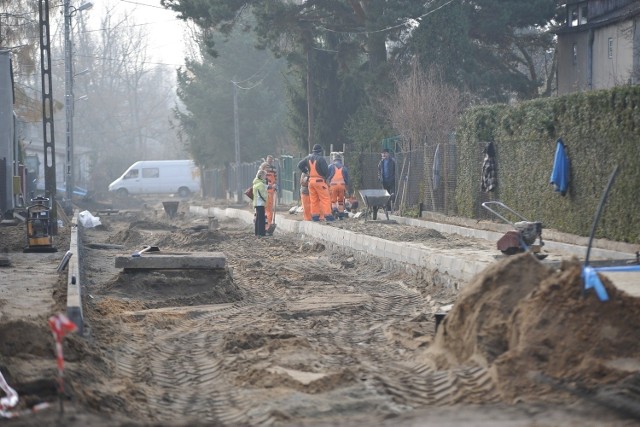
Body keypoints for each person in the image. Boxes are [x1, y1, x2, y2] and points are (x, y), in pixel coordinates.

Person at [297, 144, 334, 221]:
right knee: (325, 198)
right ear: (320, 151)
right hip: (320, 181)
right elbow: (325, 171)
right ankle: (328, 215)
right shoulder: (321, 159)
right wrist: (326, 177)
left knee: (314, 199)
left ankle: (315, 216)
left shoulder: (308, 158)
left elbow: (299, 165)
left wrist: (306, 171)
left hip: (311, 182)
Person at [327, 153, 350, 219]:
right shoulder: (344, 168)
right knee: (340, 201)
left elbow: (327, 177)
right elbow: (346, 180)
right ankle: (341, 215)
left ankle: (334, 211)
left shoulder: (330, 166)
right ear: (340, 159)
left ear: (334, 159)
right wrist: (346, 189)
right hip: (342, 186)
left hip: (333, 186)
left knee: (333, 201)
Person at [259, 155, 278, 229]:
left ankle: (268, 225)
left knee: (269, 209)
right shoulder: (261, 175)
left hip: (270, 192)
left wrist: (275, 185)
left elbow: (275, 179)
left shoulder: (274, 169)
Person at [252, 169, 269, 236]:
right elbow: (263, 194)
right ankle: (261, 233)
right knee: (261, 219)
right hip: (260, 203)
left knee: (258, 218)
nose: (265, 177)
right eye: (265, 175)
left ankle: (257, 232)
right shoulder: (260, 184)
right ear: (261, 176)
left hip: (257, 203)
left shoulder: (257, 183)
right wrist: (266, 199)